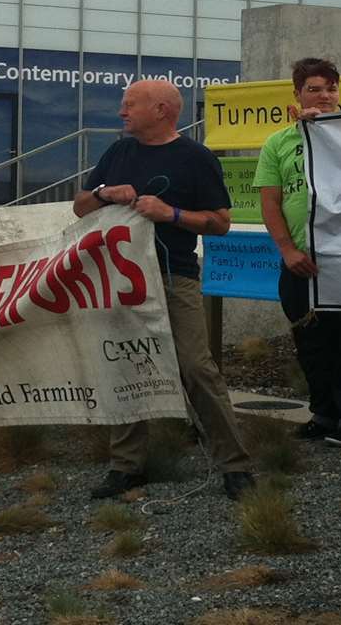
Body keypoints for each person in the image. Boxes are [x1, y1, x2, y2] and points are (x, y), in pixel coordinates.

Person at [74, 78, 256, 500]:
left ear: (160, 110)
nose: (122, 112)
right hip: (121, 282)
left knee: (195, 367)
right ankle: (127, 466)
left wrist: (169, 213)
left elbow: (220, 222)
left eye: (129, 104)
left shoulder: (196, 158)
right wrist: (104, 194)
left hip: (175, 277)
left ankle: (235, 466)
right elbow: (80, 205)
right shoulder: (118, 152)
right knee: (124, 367)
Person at [254, 57, 341, 446]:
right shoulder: (279, 142)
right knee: (311, 341)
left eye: (331, 88)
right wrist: (287, 249)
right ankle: (323, 411)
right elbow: (271, 202)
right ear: (296, 94)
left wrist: (327, 134)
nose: (324, 96)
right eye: (314, 89)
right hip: (302, 259)